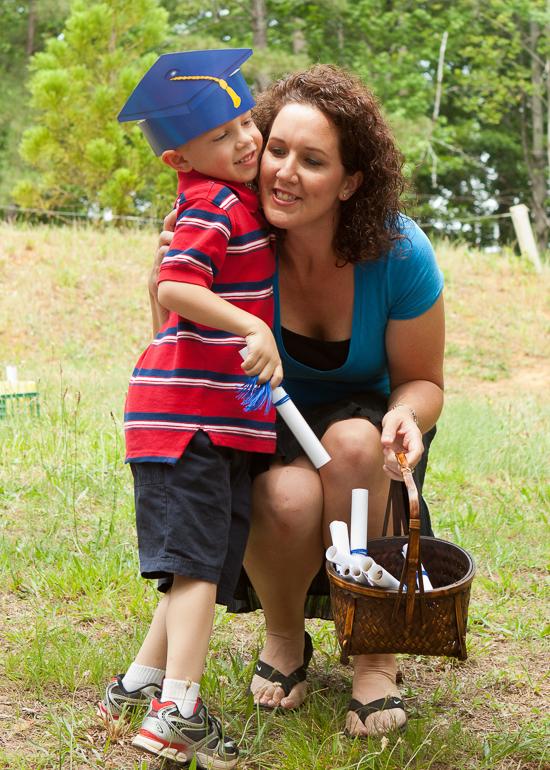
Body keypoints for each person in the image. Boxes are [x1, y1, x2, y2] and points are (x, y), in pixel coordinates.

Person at [150, 64, 445, 739]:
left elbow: (423, 380)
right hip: (262, 423)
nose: (283, 171)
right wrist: (163, 272)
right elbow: (176, 347)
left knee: (352, 444)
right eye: (276, 149)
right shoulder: (227, 231)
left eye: (312, 161)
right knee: (284, 499)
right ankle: (285, 640)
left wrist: (408, 415)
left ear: (350, 181)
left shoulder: (401, 255)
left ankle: (374, 653)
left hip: (367, 442)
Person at [99, 49, 282, 768]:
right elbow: (176, 287)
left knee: (191, 564)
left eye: (246, 121)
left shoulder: (232, 200)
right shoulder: (211, 203)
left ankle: (137, 685)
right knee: (200, 566)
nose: (244, 140)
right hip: (187, 425)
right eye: (222, 135)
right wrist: (253, 327)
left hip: (207, 419)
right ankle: (179, 711)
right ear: (180, 156)